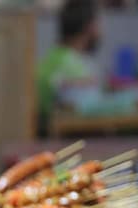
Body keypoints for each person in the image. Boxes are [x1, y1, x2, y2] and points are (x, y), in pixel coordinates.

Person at [37, 0, 102, 130]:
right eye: (99, 23)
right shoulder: (72, 66)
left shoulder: (52, 58)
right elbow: (94, 116)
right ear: (90, 27)